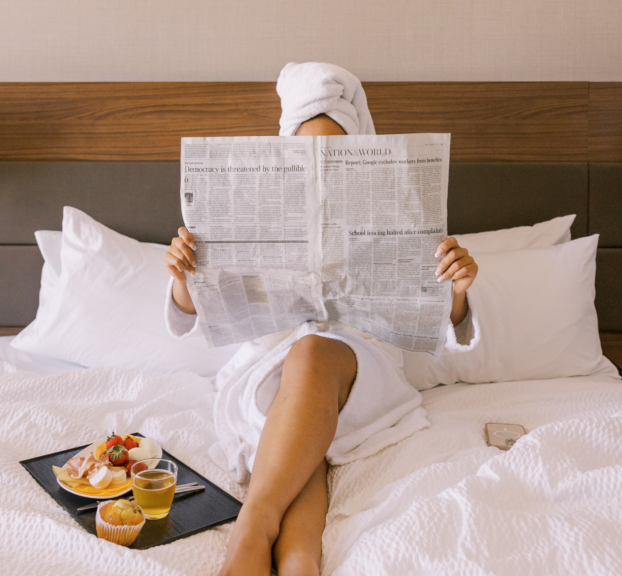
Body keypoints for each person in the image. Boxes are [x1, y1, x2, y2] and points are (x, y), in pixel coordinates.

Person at [163, 63, 480, 576]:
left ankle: (251, 531)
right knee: (301, 437)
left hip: (361, 372)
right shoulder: (256, 213)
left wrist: (458, 292)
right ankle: (299, 561)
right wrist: (185, 276)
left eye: (334, 156)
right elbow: (191, 317)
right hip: (270, 370)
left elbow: (444, 325)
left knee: (311, 354)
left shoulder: (400, 216)